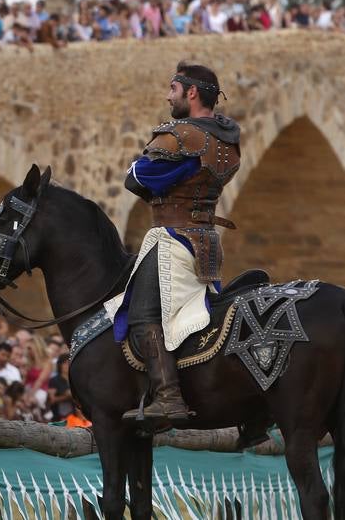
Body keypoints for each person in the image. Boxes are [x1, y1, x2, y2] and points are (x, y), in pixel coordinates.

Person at [105, 61, 240, 428]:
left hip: (173, 239)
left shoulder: (183, 135)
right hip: (207, 242)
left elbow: (138, 177)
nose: (168, 96)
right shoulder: (225, 141)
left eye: (173, 90)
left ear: (191, 93)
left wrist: (140, 168)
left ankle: (168, 397)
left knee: (142, 316)